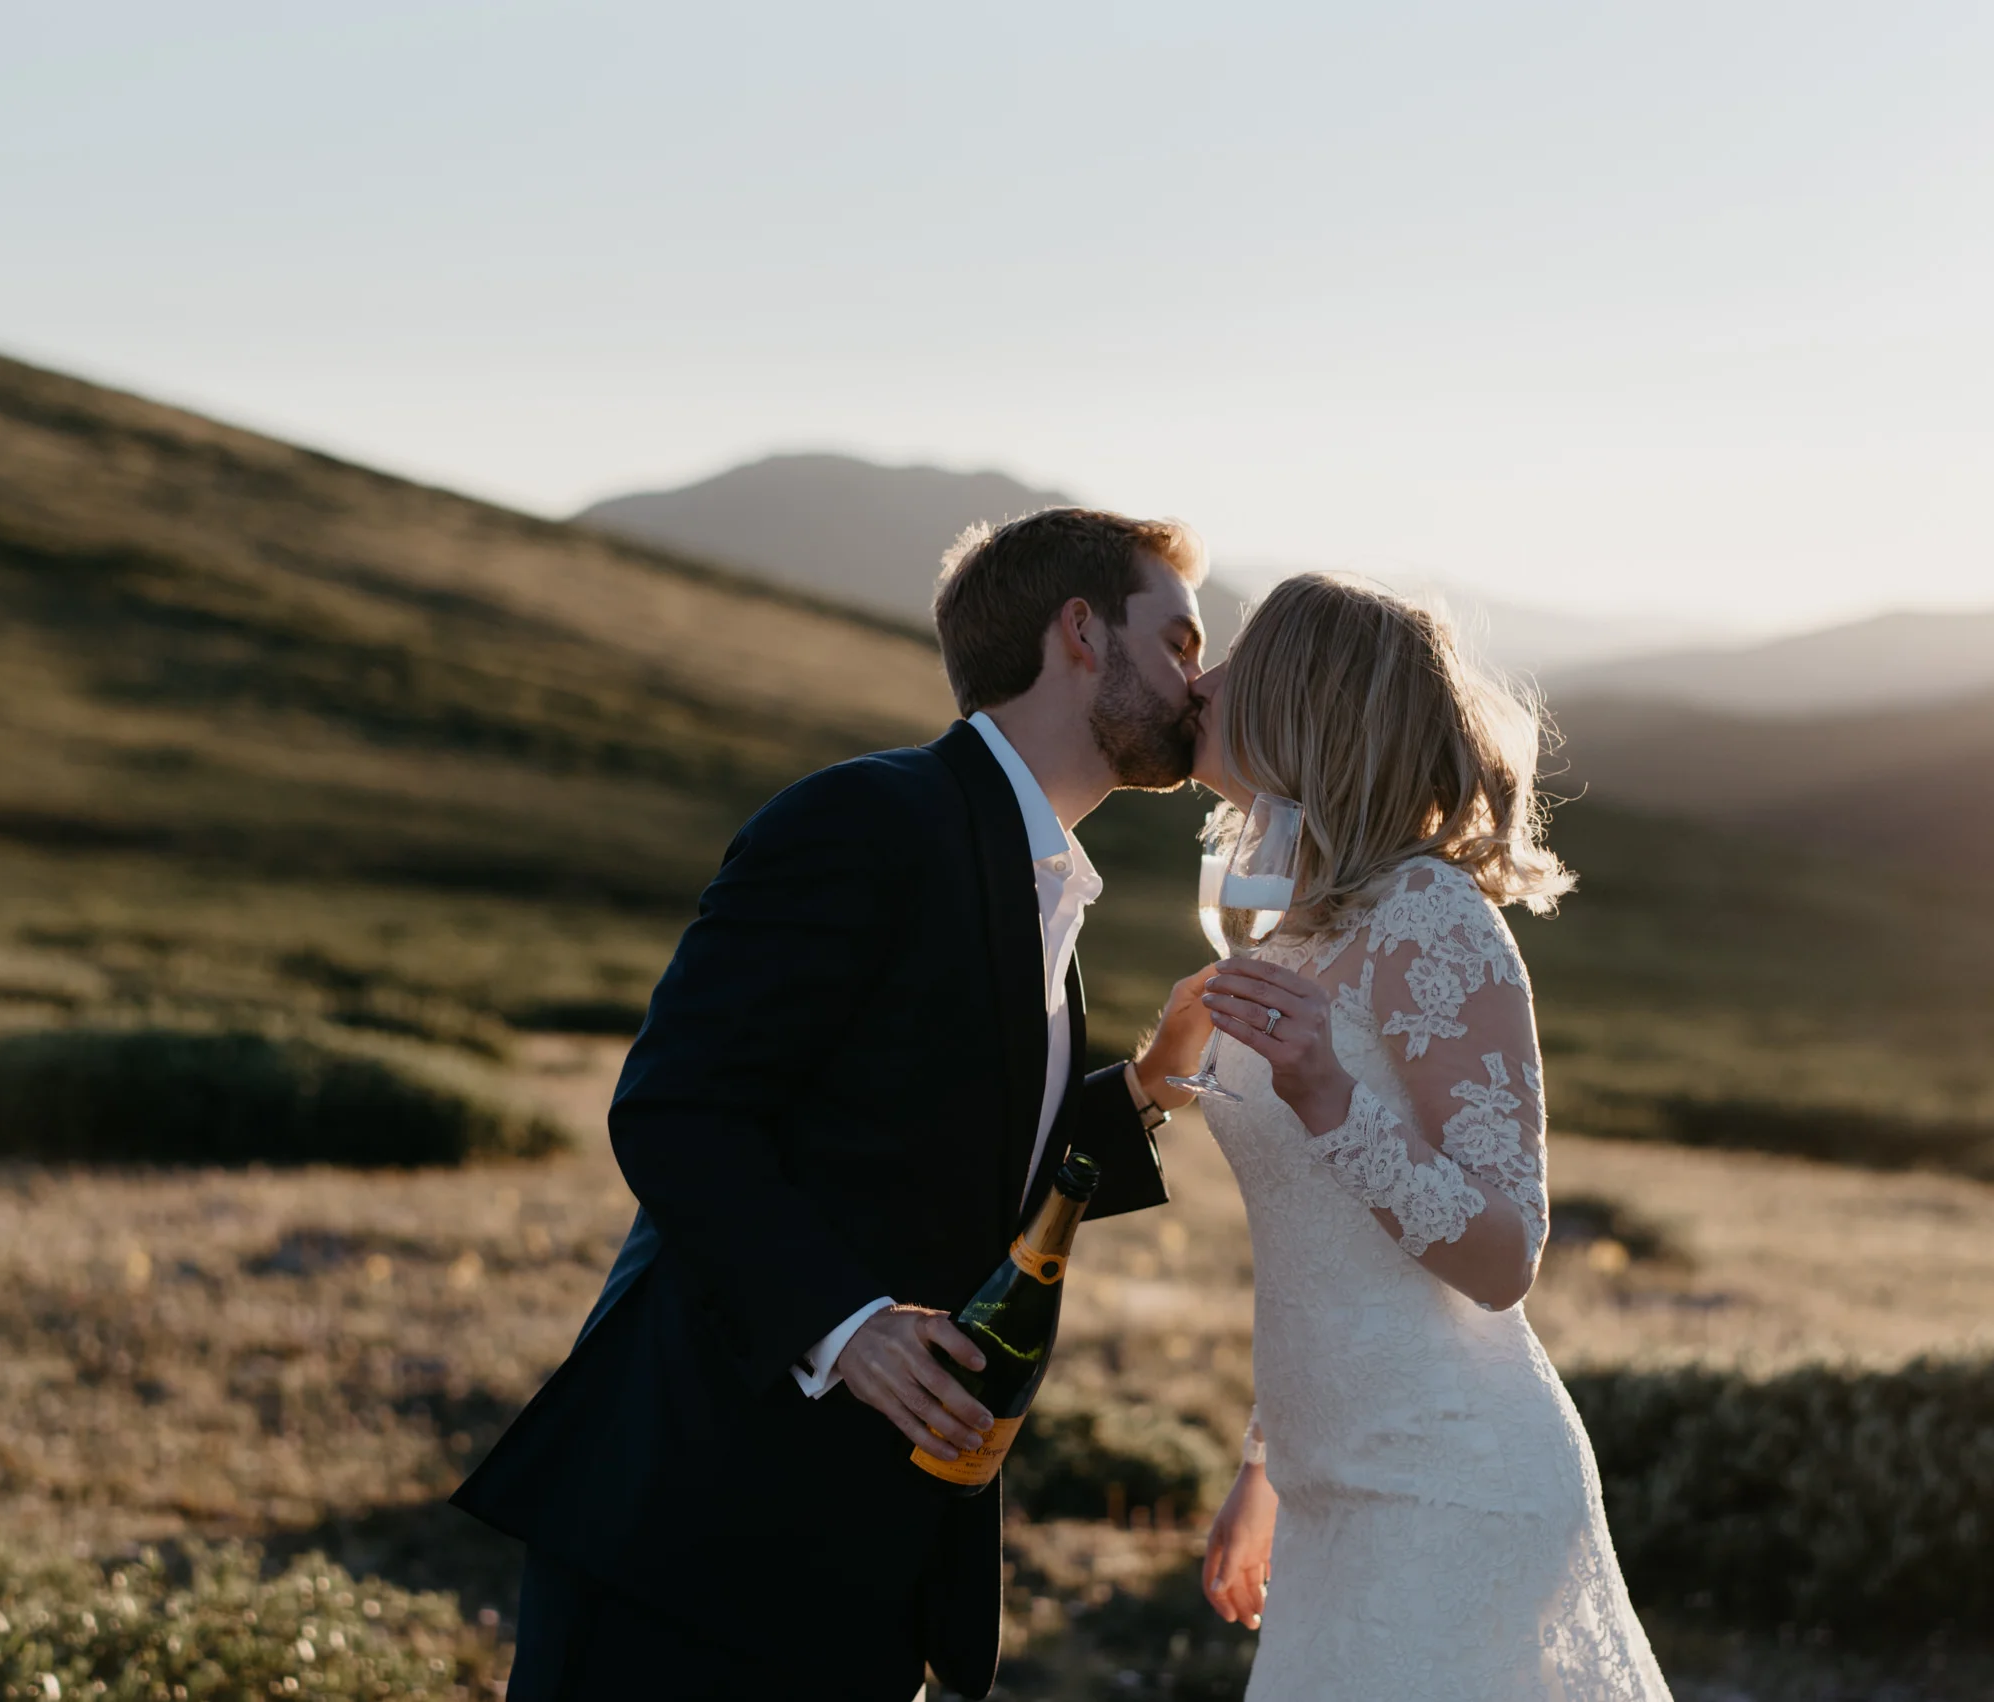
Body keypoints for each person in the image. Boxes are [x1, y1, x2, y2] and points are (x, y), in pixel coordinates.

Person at [452, 507, 1216, 1701]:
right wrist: (847, 1324)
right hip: (693, 1525)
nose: (1197, 681)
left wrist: (1144, 1085)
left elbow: (954, 1138)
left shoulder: (1041, 879)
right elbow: (677, 1107)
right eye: (1177, 641)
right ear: (1081, 632)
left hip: (864, 1549)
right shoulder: (867, 817)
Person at [1154, 573, 1672, 1700]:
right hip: (1329, 1495)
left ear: (1304, 704)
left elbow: (1503, 1256)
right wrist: (1265, 1467)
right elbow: (1325, 1244)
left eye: (1236, 660)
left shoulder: (1432, 918)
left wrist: (1331, 1098)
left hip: (1447, 1493)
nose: (1202, 681)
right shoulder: (1295, 927)